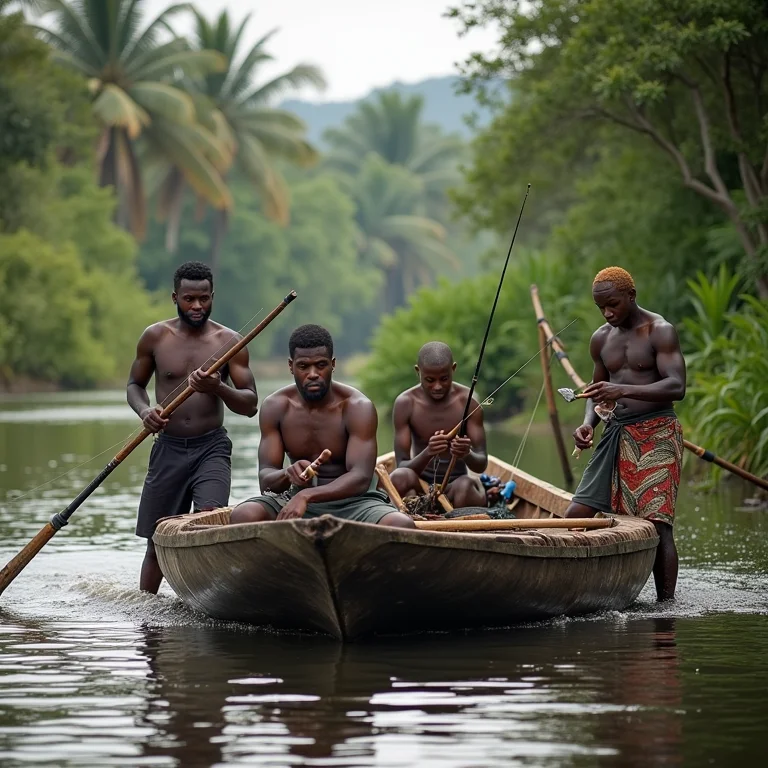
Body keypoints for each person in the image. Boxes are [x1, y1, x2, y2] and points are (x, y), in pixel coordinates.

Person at [127, 261, 258, 593]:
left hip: (211, 448)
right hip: (168, 448)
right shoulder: (155, 337)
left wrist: (218, 388)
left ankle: (204, 599)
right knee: (157, 541)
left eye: (203, 298)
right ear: (175, 297)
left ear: (213, 296)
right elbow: (134, 386)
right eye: (189, 299)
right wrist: (145, 412)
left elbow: (250, 405)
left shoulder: (230, 341)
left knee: (206, 526)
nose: (197, 306)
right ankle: (147, 614)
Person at [565, 266, 686, 601]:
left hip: (657, 433)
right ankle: (572, 592)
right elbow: (596, 391)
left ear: (631, 296)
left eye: (614, 304)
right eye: (601, 307)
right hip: (615, 434)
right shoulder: (601, 339)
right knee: (576, 515)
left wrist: (621, 391)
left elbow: (677, 386)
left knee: (657, 525)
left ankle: (666, 609)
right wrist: (589, 422)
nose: (607, 312)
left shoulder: (659, 331)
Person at [230, 324, 414, 528]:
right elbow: (266, 480)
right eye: (303, 366)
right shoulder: (276, 407)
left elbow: (360, 478)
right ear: (291, 366)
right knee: (244, 515)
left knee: (401, 524)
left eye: (321, 365)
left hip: (356, 502)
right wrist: (287, 474)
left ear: (333, 364)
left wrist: (308, 495)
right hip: (296, 499)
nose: (313, 374)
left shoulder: (357, 407)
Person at [389, 342, 488, 508]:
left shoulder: (468, 402)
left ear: (453, 369)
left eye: (444, 379)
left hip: (457, 487)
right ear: (418, 371)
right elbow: (403, 465)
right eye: (429, 380)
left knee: (465, 486)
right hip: (421, 487)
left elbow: (481, 463)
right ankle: (417, 508)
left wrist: (466, 454)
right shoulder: (406, 403)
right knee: (398, 477)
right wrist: (429, 452)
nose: (437, 386)